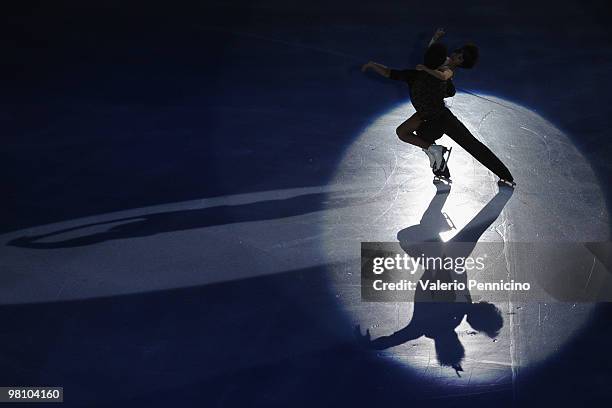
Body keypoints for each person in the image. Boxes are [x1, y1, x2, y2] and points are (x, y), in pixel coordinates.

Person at [361, 29, 515, 186]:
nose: (455, 56)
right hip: (427, 116)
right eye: (458, 53)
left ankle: (505, 175)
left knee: (469, 143)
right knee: (408, 132)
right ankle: (437, 156)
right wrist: (435, 38)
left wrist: (424, 68)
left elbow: (390, 72)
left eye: (460, 58)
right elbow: (427, 56)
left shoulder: (436, 72)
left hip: (440, 117)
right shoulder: (436, 66)